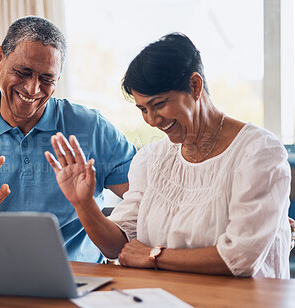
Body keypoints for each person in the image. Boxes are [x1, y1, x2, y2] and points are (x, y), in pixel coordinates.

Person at [45, 32, 293, 278]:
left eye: (159, 104)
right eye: (143, 109)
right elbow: (117, 247)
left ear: (195, 86)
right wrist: (83, 204)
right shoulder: (152, 158)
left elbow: (240, 258)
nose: (152, 120)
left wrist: (155, 256)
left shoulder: (258, 152)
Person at [0, 16, 136, 263]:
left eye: (47, 79)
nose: (33, 89)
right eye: (23, 72)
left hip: (78, 280)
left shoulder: (92, 127)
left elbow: (147, 197)